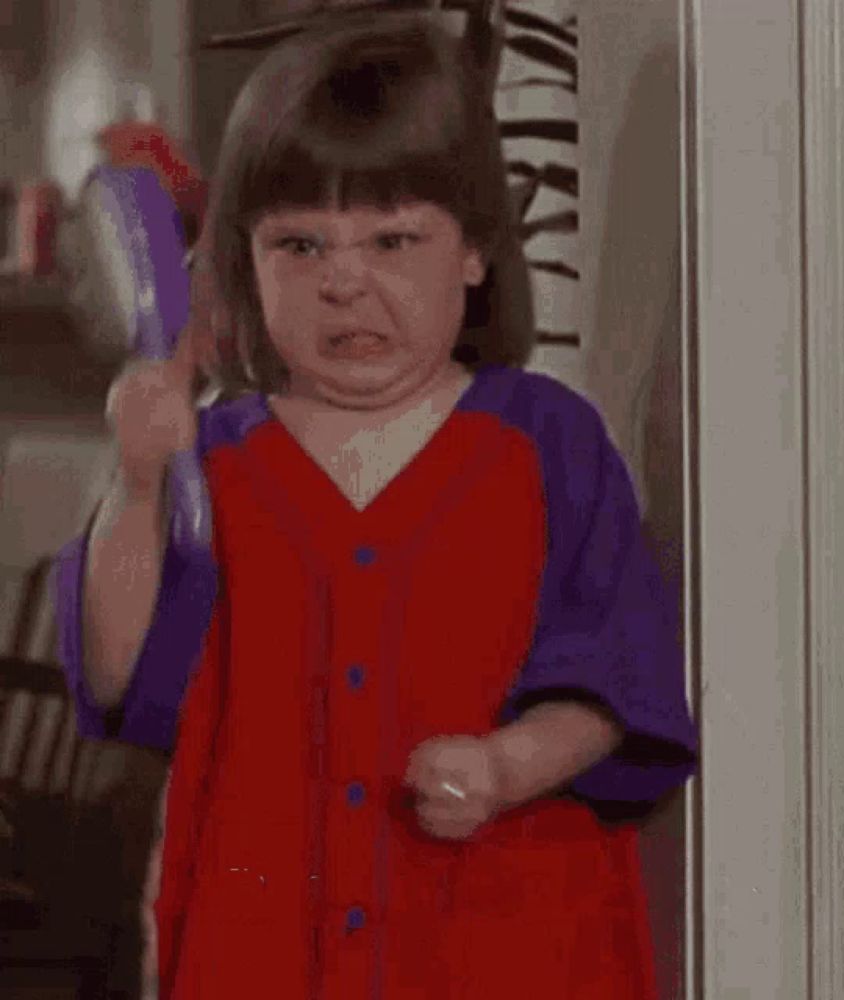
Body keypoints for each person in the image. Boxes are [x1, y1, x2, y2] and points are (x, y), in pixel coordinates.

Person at [53, 12, 697, 999]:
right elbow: (117, 672)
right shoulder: (215, 460)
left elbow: (617, 678)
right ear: (245, 259)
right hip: (266, 952)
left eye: (393, 238)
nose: (344, 280)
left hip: (510, 953)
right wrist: (138, 487)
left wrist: (506, 765)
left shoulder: (546, 442)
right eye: (299, 244)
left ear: (475, 250)